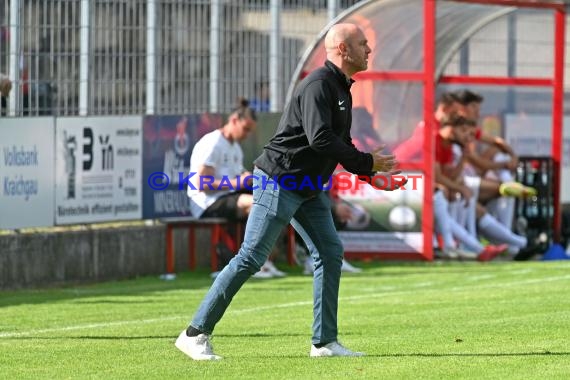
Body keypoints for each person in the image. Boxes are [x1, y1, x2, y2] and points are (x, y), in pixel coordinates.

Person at [175, 22, 402, 360]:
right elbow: (320, 139)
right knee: (251, 257)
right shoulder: (318, 85)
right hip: (280, 181)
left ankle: (324, 343)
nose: (369, 49)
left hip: (307, 187)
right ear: (343, 49)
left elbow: (340, 144)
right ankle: (194, 333)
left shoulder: (342, 88)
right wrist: (368, 162)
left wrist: (370, 173)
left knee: (329, 253)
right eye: (363, 43)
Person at [187, 98, 285, 279]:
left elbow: (241, 177)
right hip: (207, 202)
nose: (247, 135)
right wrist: (236, 183)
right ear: (233, 120)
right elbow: (200, 183)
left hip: (228, 197)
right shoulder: (212, 143)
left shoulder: (235, 148)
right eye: (246, 129)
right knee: (256, 205)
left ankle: (266, 259)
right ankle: (255, 262)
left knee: (274, 198)